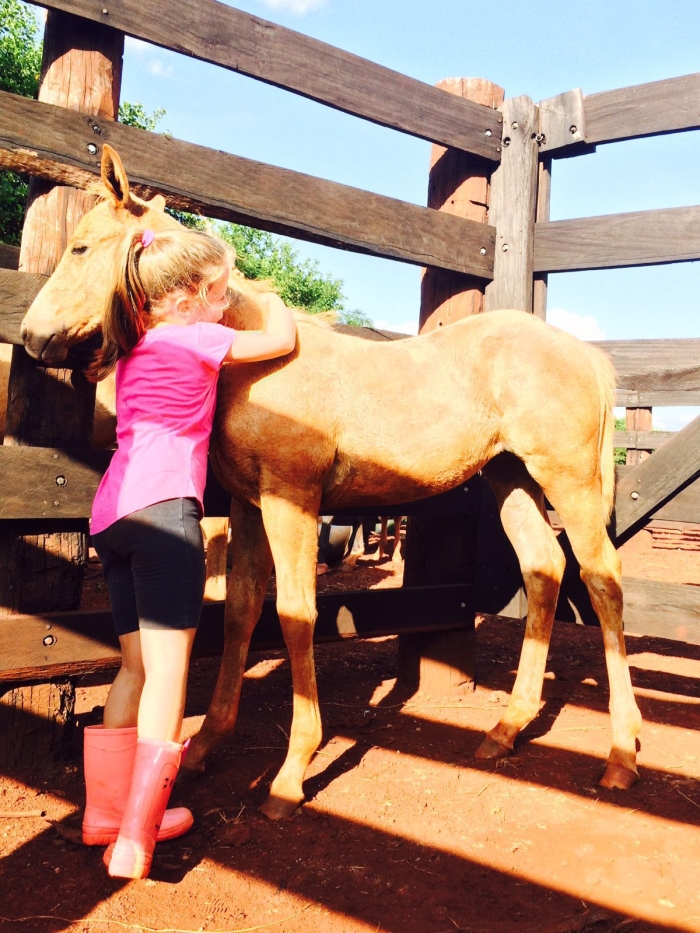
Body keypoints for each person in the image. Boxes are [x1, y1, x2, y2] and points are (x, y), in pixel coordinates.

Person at [82, 226, 297, 880]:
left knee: (134, 670)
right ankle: (137, 836)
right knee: (170, 678)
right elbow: (282, 338)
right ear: (187, 299)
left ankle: (105, 814)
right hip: (165, 513)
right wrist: (271, 298)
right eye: (222, 292)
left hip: (112, 516)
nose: (227, 302)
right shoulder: (198, 337)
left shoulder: (133, 348)